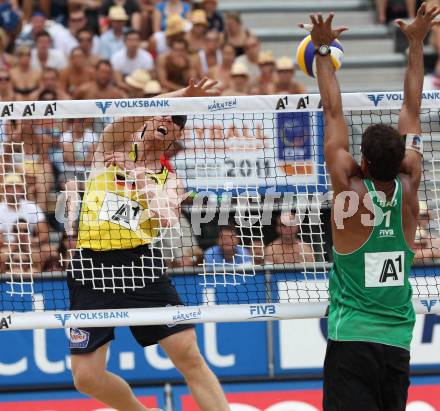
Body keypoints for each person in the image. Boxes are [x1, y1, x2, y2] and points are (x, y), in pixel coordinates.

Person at [298, 6, 439, 410]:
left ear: (362, 159)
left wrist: (323, 52)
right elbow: (412, 111)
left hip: (353, 340)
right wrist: (416, 45)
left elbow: (332, 111)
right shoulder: (411, 189)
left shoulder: (350, 193)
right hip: (397, 342)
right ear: (399, 163)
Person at [67, 78, 230, 411]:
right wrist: (182, 96)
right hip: (91, 268)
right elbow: (129, 113)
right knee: (85, 378)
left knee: (189, 356)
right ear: (149, 118)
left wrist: (135, 174)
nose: (168, 121)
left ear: (178, 136)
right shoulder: (111, 146)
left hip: (140, 265)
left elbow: (165, 217)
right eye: (164, 115)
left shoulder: (170, 180)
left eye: (177, 121)